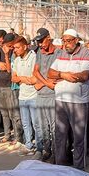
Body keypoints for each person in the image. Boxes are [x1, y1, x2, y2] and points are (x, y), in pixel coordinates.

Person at [49, 28, 89, 169]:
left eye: (68, 41)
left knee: (79, 137)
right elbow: (50, 73)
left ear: (76, 40)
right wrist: (64, 75)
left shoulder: (85, 52)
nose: (66, 44)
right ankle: (60, 166)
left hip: (78, 102)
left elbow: (84, 76)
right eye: (64, 41)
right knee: (60, 134)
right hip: (61, 100)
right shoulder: (61, 53)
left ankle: (79, 168)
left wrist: (63, 75)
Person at [32, 29, 58, 160]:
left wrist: (42, 83)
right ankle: (46, 150)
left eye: (42, 41)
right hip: (41, 95)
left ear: (49, 37)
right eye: (38, 42)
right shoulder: (39, 53)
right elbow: (35, 72)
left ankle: (56, 153)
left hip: (53, 96)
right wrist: (46, 83)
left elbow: (56, 77)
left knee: (54, 127)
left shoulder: (58, 53)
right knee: (42, 127)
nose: (40, 44)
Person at [10, 36, 39, 154]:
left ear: (25, 46)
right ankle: (28, 144)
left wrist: (21, 78)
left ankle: (39, 145)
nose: (15, 50)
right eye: (14, 48)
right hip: (22, 96)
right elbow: (13, 78)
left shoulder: (34, 58)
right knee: (26, 123)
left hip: (33, 96)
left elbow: (34, 79)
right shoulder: (17, 60)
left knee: (36, 123)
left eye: (17, 47)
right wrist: (25, 79)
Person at [0, 34, 21, 145]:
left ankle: (17, 136)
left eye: (9, 45)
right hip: (0, 84)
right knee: (4, 112)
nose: (7, 47)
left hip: (10, 85)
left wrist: (6, 56)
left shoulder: (14, 52)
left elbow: (9, 70)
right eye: (5, 44)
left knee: (13, 114)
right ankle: (7, 135)